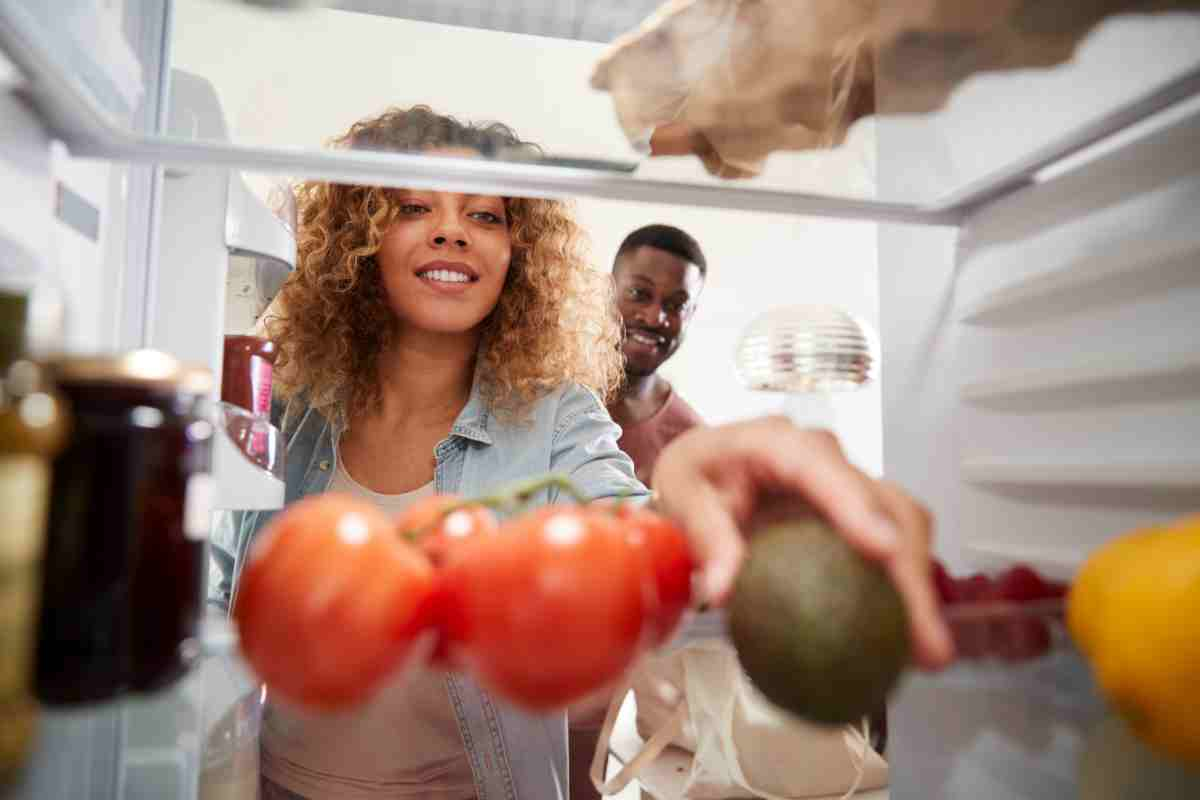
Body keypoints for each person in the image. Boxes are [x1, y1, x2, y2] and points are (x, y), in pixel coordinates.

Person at [211, 105, 952, 800]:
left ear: (518, 255)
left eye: (485, 215)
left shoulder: (555, 418)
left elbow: (632, 531)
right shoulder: (288, 406)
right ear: (360, 239)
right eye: (413, 208)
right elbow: (210, 588)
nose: (452, 232)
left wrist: (693, 502)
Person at [606, 224, 706, 486]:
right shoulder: (538, 394)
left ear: (691, 315)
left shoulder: (691, 445)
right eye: (639, 294)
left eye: (676, 305)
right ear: (606, 290)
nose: (654, 318)